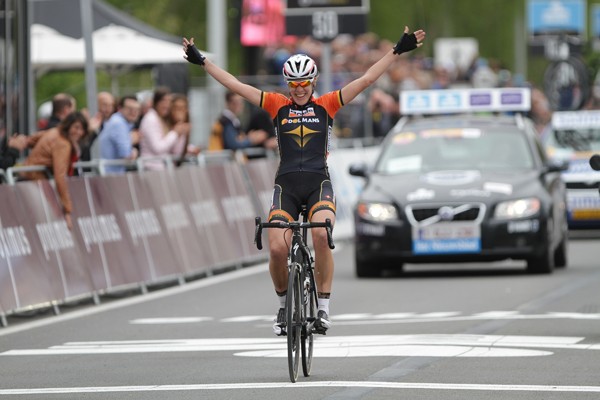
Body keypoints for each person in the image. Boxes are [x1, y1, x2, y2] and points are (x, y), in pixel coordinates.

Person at [183, 25, 426, 335]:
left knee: (322, 236)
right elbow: (234, 83)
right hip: (286, 186)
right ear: (288, 84)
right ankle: (284, 305)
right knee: (276, 249)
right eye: (294, 84)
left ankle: (323, 308)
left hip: (317, 185)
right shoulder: (275, 104)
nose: (299, 89)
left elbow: (366, 80)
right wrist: (203, 61)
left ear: (313, 82)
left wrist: (396, 50)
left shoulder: (327, 104)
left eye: (304, 84)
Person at [21, 112, 88, 229]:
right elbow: (60, 176)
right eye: (76, 127)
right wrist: (67, 210)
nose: (79, 132)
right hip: (36, 183)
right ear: (68, 126)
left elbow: (29, 140)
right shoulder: (63, 144)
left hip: (26, 178)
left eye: (82, 129)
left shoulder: (53, 132)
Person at [138, 87, 189, 170]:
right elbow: (158, 148)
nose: (167, 105)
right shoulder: (150, 119)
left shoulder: (162, 120)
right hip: (152, 169)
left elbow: (176, 152)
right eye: (163, 101)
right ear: (156, 102)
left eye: (169, 101)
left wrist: (181, 132)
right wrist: (175, 133)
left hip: (164, 169)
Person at [97, 94, 141, 174]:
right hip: (110, 176)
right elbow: (126, 155)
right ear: (120, 109)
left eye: (136, 109)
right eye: (130, 109)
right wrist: (134, 150)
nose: (134, 112)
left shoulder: (116, 121)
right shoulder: (119, 124)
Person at [80, 91, 116, 162]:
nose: (108, 109)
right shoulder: (84, 120)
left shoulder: (110, 122)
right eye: (105, 105)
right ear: (95, 104)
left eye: (111, 105)